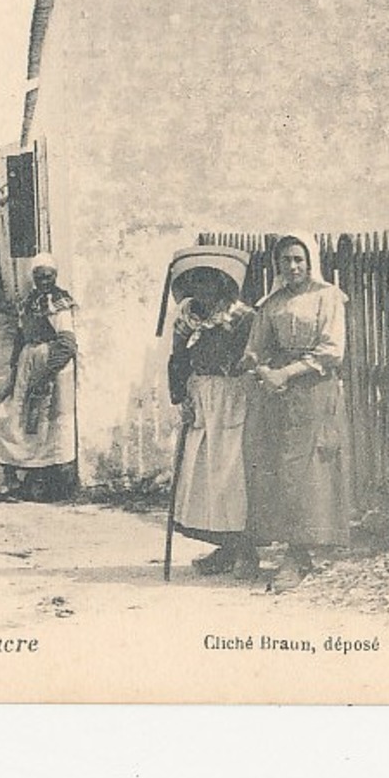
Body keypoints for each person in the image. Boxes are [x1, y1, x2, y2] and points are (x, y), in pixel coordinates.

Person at [241, 233, 352, 591]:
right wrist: (264, 372)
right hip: (278, 394)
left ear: (310, 261)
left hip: (314, 390)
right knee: (277, 468)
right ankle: (282, 548)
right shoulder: (271, 304)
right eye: (285, 260)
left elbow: (332, 350)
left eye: (298, 259)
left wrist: (287, 373)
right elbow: (255, 349)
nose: (292, 267)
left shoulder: (328, 297)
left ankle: (300, 553)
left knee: (307, 470)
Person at [157, 247, 260, 579]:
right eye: (193, 281)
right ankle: (224, 547)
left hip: (232, 397)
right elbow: (177, 358)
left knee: (232, 475)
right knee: (205, 474)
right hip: (201, 398)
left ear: (223, 283)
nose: (200, 289)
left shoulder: (242, 317)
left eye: (207, 281)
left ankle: (247, 550)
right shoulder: (187, 316)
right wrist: (181, 396)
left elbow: (251, 360)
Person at [0, 253, 78, 503]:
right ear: (33, 278)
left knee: (44, 424)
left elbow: (67, 343)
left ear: (55, 276)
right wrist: (14, 370)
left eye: (48, 276)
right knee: (7, 416)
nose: (44, 281)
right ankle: (11, 480)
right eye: (39, 277)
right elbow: (19, 338)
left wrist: (46, 372)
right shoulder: (28, 302)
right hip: (27, 366)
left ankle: (42, 482)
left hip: (50, 368)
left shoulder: (59, 303)